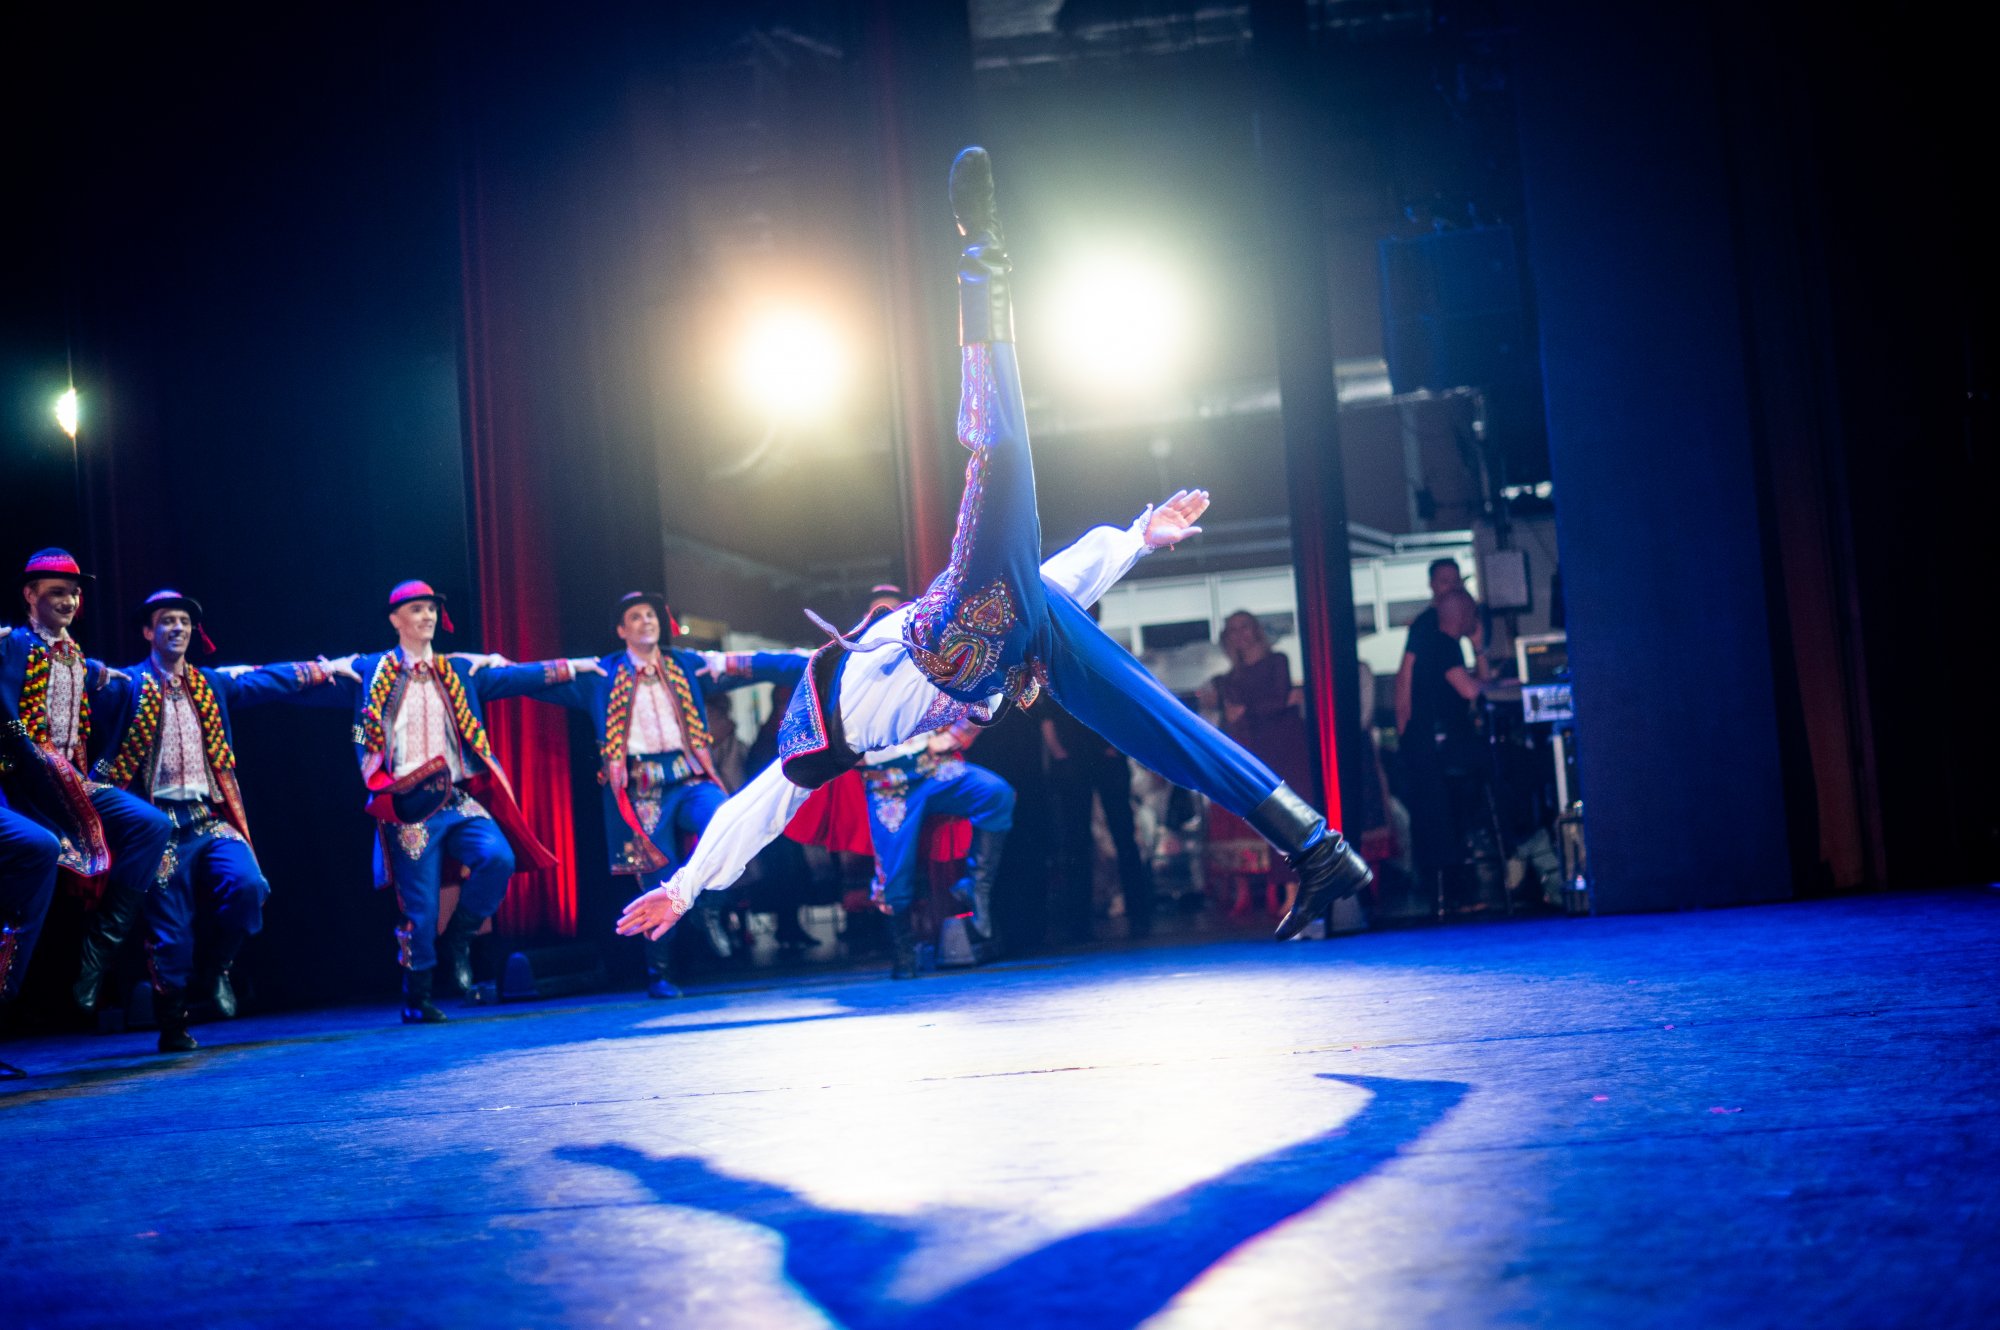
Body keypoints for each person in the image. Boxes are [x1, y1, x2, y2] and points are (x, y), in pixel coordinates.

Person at [617, 147, 1369, 960]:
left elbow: (1045, 582)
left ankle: (983, 250)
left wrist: (1134, 541)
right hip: (983, 647)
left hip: (986, 632)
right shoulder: (825, 727)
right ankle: (1318, 849)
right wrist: (683, 887)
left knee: (1143, 697)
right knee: (1141, 699)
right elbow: (754, 811)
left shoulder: (884, 643)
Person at [316, 580, 603, 1024]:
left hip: (456, 799)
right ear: (395, 619)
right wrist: (318, 675)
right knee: (421, 910)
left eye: (431, 608)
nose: (427, 616)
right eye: (417, 609)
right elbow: (332, 705)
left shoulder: (459, 670)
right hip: (408, 807)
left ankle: (461, 937)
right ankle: (417, 996)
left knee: (498, 858)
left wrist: (573, 667)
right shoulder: (370, 670)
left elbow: (517, 676)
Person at [90, 590, 347, 1051]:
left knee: (249, 886)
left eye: (184, 621)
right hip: (158, 827)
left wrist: (322, 669)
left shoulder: (210, 683)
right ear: (148, 631)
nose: (178, 628)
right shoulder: (128, 684)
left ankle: (217, 969)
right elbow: (84, 684)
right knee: (170, 934)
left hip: (207, 818)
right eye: (167, 620)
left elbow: (265, 680)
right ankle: (173, 1023)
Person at [541, 591, 802, 997]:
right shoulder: (603, 674)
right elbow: (533, 680)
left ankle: (710, 907)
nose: (646, 621)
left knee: (726, 822)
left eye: (650, 614)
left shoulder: (686, 665)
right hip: (642, 791)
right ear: (621, 630)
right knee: (656, 880)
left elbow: (753, 665)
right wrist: (485, 672)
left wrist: (814, 658)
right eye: (636, 616)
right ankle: (659, 972)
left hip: (689, 778)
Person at [1, 550, 172, 1034]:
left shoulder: (74, 653)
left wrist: (108, 676)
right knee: (36, 855)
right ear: (30, 595)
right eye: (57, 592)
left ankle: (96, 954)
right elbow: (10, 700)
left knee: (151, 825)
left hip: (68, 780)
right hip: (21, 781)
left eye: (74, 594)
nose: (69, 601)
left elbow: (86, 672)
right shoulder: (14, 644)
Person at [1201, 611, 1315, 921]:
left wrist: (1245, 711)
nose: (1240, 634)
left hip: (1286, 746)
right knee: (1273, 820)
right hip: (1257, 750)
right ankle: (1290, 891)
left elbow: (1278, 699)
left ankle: (1296, 892)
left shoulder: (1277, 661)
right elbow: (1235, 719)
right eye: (1233, 630)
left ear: (1256, 631)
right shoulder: (1228, 680)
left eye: (1245, 627)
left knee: (1290, 817)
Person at [1040, 696, 1153, 940]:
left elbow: (1121, 707)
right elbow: (1047, 717)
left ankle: (1138, 913)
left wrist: (1116, 745)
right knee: (1078, 840)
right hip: (1075, 757)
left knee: (1121, 834)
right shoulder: (1056, 677)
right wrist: (1059, 753)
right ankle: (1080, 920)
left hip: (1102, 754)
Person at [1399, 587, 1487, 892]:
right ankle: (1519, 844)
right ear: (1464, 616)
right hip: (1445, 748)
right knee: (1506, 769)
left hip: (1429, 747)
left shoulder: (1428, 643)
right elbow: (1471, 690)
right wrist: (1480, 649)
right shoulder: (1444, 645)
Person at [1394, 557, 1487, 735]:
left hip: (1446, 727)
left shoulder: (1451, 628)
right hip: (1436, 731)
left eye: (1456, 581)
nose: (1452, 587)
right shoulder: (1428, 626)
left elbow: (1476, 680)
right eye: (1445, 581)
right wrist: (1403, 725)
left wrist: (1478, 647)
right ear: (1432, 585)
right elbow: (1405, 675)